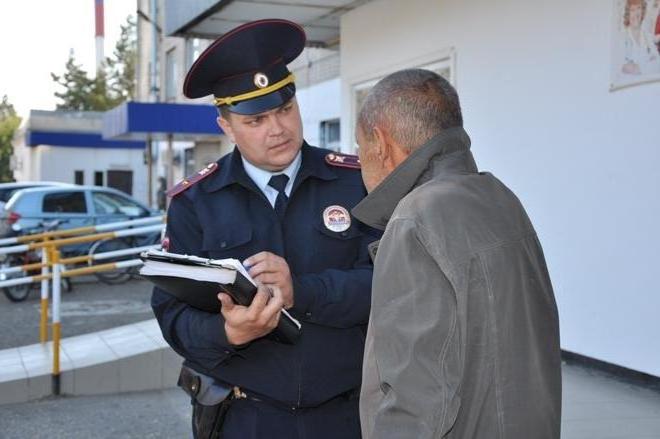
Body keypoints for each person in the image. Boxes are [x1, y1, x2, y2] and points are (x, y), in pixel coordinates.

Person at [151, 19, 377, 439]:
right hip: (245, 419)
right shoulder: (194, 203)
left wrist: (303, 292)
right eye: (255, 121)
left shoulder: (355, 183)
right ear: (226, 125)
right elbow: (172, 314)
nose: (277, 129)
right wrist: (227, 332)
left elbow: (393, 283)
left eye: (285, 109)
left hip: (349, 416)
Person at [352, 69, 561, 438]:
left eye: (359, 147)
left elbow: (415, 396)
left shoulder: (415, 218)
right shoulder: (498, 196)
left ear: (381, 143)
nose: (360, 159)